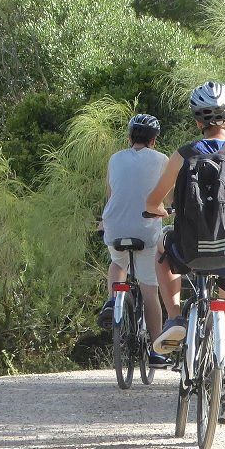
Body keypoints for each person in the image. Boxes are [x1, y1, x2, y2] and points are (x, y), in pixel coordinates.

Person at [145, 81, 225, 425]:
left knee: (161, 248)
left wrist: (164, 213)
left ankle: (175, 317)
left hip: (190, 251)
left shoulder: (183, 154)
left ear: (197, 120)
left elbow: (153, 202)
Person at [97, 114, 169, 368]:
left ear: (129, 138)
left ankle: (112, 300)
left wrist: (104, 223)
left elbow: (112, 194)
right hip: (146, 230)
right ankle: (156, 348)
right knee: (150, 289)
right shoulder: (163, 160)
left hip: (114, 225)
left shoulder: (115, 159)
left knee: (118, 262)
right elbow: (166, 200)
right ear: (154, 140)